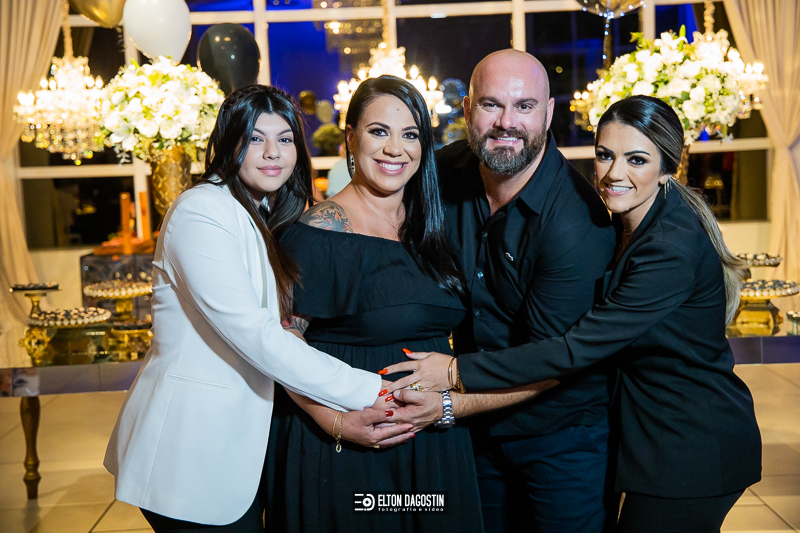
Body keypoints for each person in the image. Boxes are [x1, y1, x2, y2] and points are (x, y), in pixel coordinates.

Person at [387, 95, 763, 532]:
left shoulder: (669, 248)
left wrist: (455, 372)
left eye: (636, 160)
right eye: (605, 155)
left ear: (668, 169)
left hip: (691, 445)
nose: (614, 173)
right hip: (656, 439)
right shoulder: (631, 222)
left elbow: (574, 349)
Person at [104, 85, 411, 532]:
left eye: (285, 139)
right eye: (255, 138)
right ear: (229, 144)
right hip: (191, 451)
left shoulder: (264, 211)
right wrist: (371, 389)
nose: (273, 153)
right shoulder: (201, 211)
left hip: (238, 448)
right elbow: (258, 336)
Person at [386, 49, 618, 532]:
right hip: (475, 430)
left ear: (548, 114)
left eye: (524, 106)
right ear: (467, 109)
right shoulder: (441, 172)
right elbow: (369, 214)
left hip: (561, 436)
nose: (506, 122)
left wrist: (448, 396)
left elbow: (554, 361)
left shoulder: (577, 221)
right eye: (491, 104)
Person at [264, 75, 485, 532]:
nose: (394, 149)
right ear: (351, 138)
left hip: (432, 440)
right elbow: (279, 345)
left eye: (410, 135)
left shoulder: (432, 228)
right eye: (378, 131)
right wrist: (336, 422)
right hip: (347, 446)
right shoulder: (318, 234)